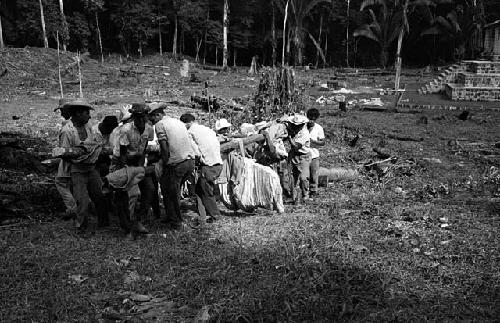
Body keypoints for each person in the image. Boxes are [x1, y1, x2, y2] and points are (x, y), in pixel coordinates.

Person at [59, 99, 107, 232]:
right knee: (82, 201)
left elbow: (94, 142)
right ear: (78, 113)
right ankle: (81, 227)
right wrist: (78, 156)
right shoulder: (67, 131)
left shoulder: (88, 126)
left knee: (99, 196)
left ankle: (104, 223)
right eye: (87, 113)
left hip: (91, 168)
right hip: (77, 171)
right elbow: (63, 152)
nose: (89, 116)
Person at [150, 107, 195, 229]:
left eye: (152, 116)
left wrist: (164, 163)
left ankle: (176, 222)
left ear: (158, 114)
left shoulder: (160, 124)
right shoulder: (177, 122)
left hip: (177, 163)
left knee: (171, 193)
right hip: (189, 161)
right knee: (168, 189)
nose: (151, 120)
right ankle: (171, 216)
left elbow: (164, 148)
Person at [116, 103, 155, 235]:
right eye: (138, 116)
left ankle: (139, 219)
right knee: (130, 194)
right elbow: (122, 153)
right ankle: (127, 225)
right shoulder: (126, 130)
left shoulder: (149, 129)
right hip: (124, 162)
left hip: (138, 162)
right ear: (133, 117)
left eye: (144, 116)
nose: (141, 119)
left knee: (149, 189)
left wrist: (140, 167)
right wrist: (126, 172)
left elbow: (143, 149)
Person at [180, 113, 222, 223]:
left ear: (187, 123)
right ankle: (203, 215)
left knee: (206, 192)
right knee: (200, 189)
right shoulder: (207, 129)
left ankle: (215, 216)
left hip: (208, 165)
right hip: (217, 163)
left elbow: (196, 153)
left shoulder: (189, 133)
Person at [54, 98, 76, 220]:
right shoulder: (80, 124)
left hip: (70, 161)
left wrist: (56, 157)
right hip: (80, 160)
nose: (61, 113)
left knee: (60, 182)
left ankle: (72, 209)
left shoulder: (66, 129)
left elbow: (64, 150)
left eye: (62, 111)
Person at [284, 114, 311, 203]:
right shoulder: (294, 129)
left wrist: (289, 137)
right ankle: (295, 197)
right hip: (294, 155)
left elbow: (296, 146)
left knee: (303, 177)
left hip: (303, 156)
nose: (295, 126)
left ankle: (305, 195)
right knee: (293, 177)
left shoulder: (304, 133)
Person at [306, 108, 325, 197]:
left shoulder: (318, 128)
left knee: (314, 174)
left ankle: (313, 191)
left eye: (313, 118)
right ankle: (304, 192)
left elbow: (323, 142)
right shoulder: (302, 126)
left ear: (316, 118)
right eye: (310, 118)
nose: (311, 120)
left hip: (314, 154)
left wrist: (314, 141)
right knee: (304, 175)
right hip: (304, 154)